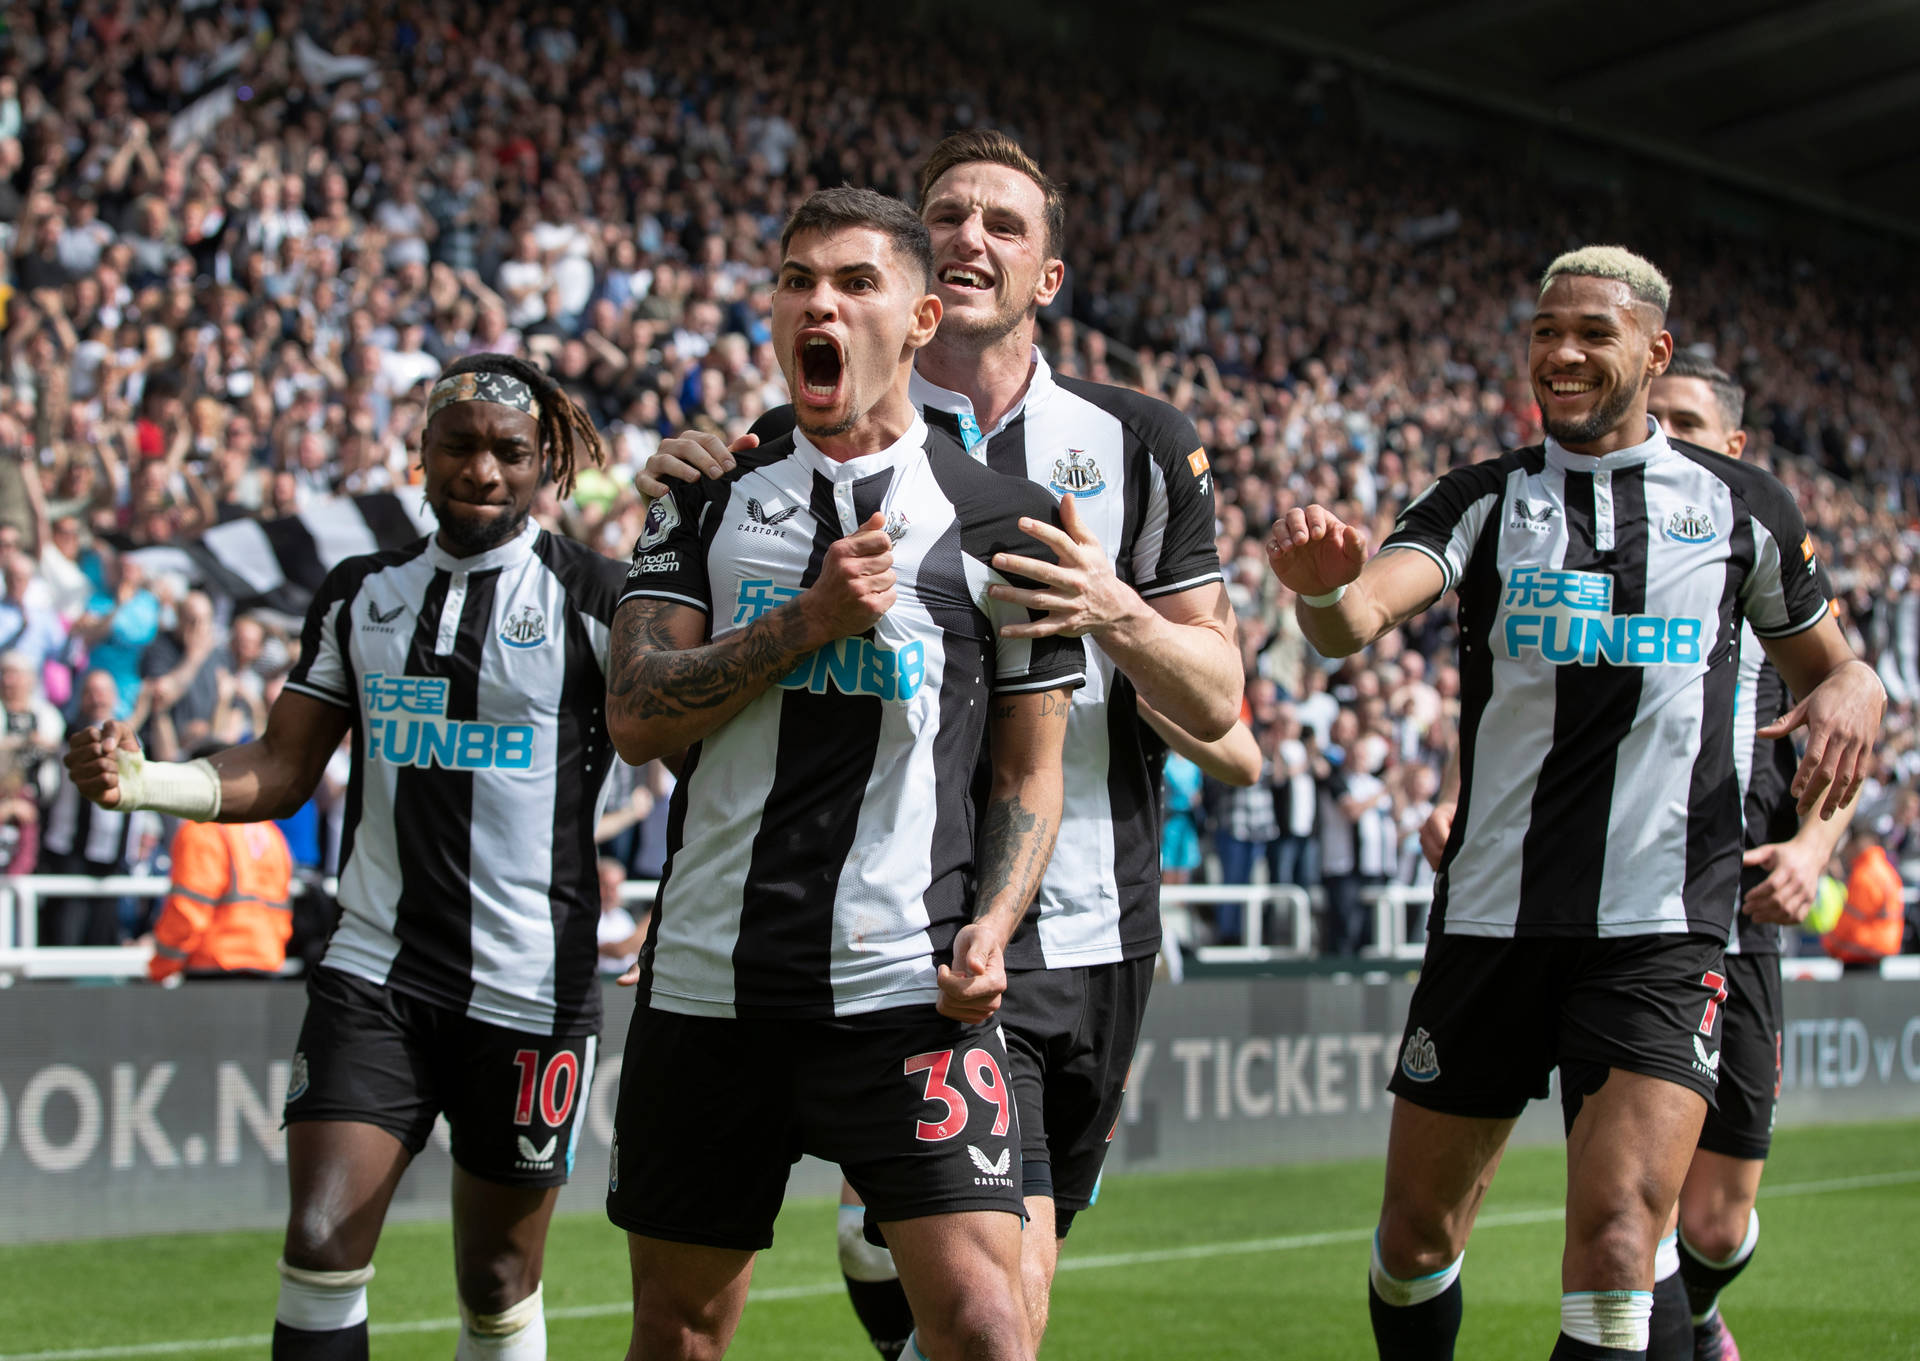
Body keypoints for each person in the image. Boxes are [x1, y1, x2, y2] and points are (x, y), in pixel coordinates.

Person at [635, 131, 1244, 1354]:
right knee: (759, 1315)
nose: (972, 237)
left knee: (997, 1305)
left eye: (1002, 224)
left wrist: (1109, 601)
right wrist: (791, 608)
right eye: (948, 214)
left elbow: (1221, 712)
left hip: (1045, 926)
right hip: (758, 951)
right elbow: (642, 709)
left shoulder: (1110, 455)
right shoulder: (729, 472)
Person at [1267, 245, 1883, 1361]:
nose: (1561, 352)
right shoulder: (1483, 501)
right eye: (1547, 330)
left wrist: (1857, 686)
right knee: (1414, 1237)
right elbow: (1356, 616)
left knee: (1613, 1241)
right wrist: (1320, 594)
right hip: (1494, 918)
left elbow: (1828, 662)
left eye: (1592, 332)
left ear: (1651, 351)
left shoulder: (1743, 510)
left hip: (1661, 925)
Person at [602, 186, 1087, 1361]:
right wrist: (806, 622)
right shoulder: (701, 496)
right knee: (679, 1333)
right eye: (796, 278)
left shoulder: (1006, 522)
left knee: (985, 1331)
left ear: (921, 319)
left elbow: (1031, 768)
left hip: (906, 989)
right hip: (712, 982)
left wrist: (996, 922)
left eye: (855, 282)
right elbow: (634, 712)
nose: (820, 301)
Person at [64, 353, 627, 1361]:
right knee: (321, 1242)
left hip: (534, 989)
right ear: (420, 455)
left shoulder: (601, 597)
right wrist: (144, 781)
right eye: (460, 446)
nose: (483, 471)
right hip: (375, 975)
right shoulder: (361, 593)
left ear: (546, 464)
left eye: (508, 452)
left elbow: (686, 745)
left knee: (498, 1282)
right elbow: (281, 766)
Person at [1642, 354, 1858, 1360]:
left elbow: (1850, 738)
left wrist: (1814, 848)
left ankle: (1706, 1307)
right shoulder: (1612, 569)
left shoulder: (1779, 591)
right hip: (1634, 922)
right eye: (1655, 417)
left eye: (1687, 419)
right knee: (1632, 1195)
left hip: (1748, 916)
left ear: (1735, 447)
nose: (1666, 433)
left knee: (1718, 1222)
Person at [149, 759, 296, 982]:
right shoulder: (271, 834)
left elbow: (189, 907)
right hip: (266, 962)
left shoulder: (202, 830)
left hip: (214, 964)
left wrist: (161, 967)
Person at [1828, 827, 1903, 968]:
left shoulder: (1864, 874)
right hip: (1876, 948)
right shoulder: (1884, 869)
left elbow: (1851, 918)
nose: (1846, 850)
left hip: (1859, 950)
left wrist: (1831, 944)